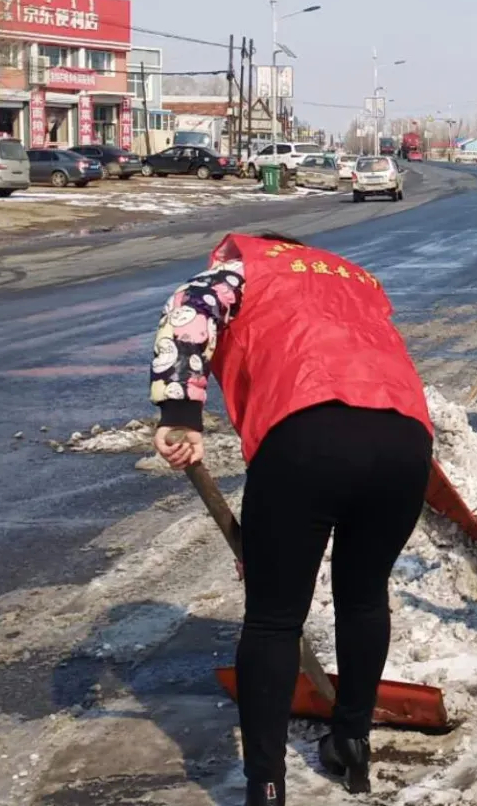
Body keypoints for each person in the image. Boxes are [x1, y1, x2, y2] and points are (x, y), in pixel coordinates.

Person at [149, 232, 433, 804]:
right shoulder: (356, 277)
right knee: (363, 596)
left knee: (274, 620)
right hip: (405, 437)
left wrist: (180, 411)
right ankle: (351, 744)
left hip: (309, 431)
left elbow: (190, 308)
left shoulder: (247, 265)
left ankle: (266, 784)